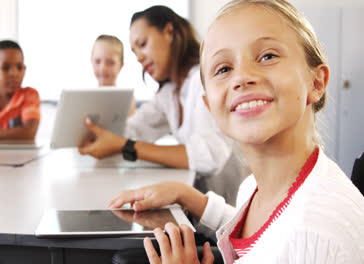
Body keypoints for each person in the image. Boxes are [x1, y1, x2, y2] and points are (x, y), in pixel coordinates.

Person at [109, 0, 364, 263]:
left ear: (316, 81)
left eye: (267, 56)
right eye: (224, 69)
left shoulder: (316, 235)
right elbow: (266, 237)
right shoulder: (254, 188)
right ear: (209, 106)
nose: (242, 77)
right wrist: (185, 194)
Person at [81, 6, 248, 205]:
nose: (140, 58)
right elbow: (136, 128)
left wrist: (124, 146)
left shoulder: (201, 80)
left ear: (169, 32)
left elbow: (209, 157)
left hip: (234, 208)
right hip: (206, 209)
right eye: (135, 53)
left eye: (143, 44)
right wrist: (96, 132)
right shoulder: (169, 93)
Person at [91, 34, 136, 116]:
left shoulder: (127, 100)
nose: (103, 68)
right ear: (91, 61)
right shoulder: (86, 98)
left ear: (121, 65)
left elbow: (130, 128)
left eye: (110, 63)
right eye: (97, 61)